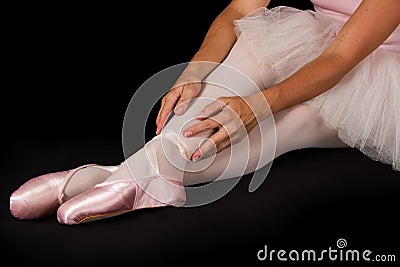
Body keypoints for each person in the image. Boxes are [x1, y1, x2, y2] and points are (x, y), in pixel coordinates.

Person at [9, 0, 399, 225]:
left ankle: (128, 172)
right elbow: (239, 9)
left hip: (380, 70)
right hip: (322, 38)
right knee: (250, 44)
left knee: (291, 120)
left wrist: (258, 106)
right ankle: (143, 175)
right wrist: (193, 73)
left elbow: (342, 57)